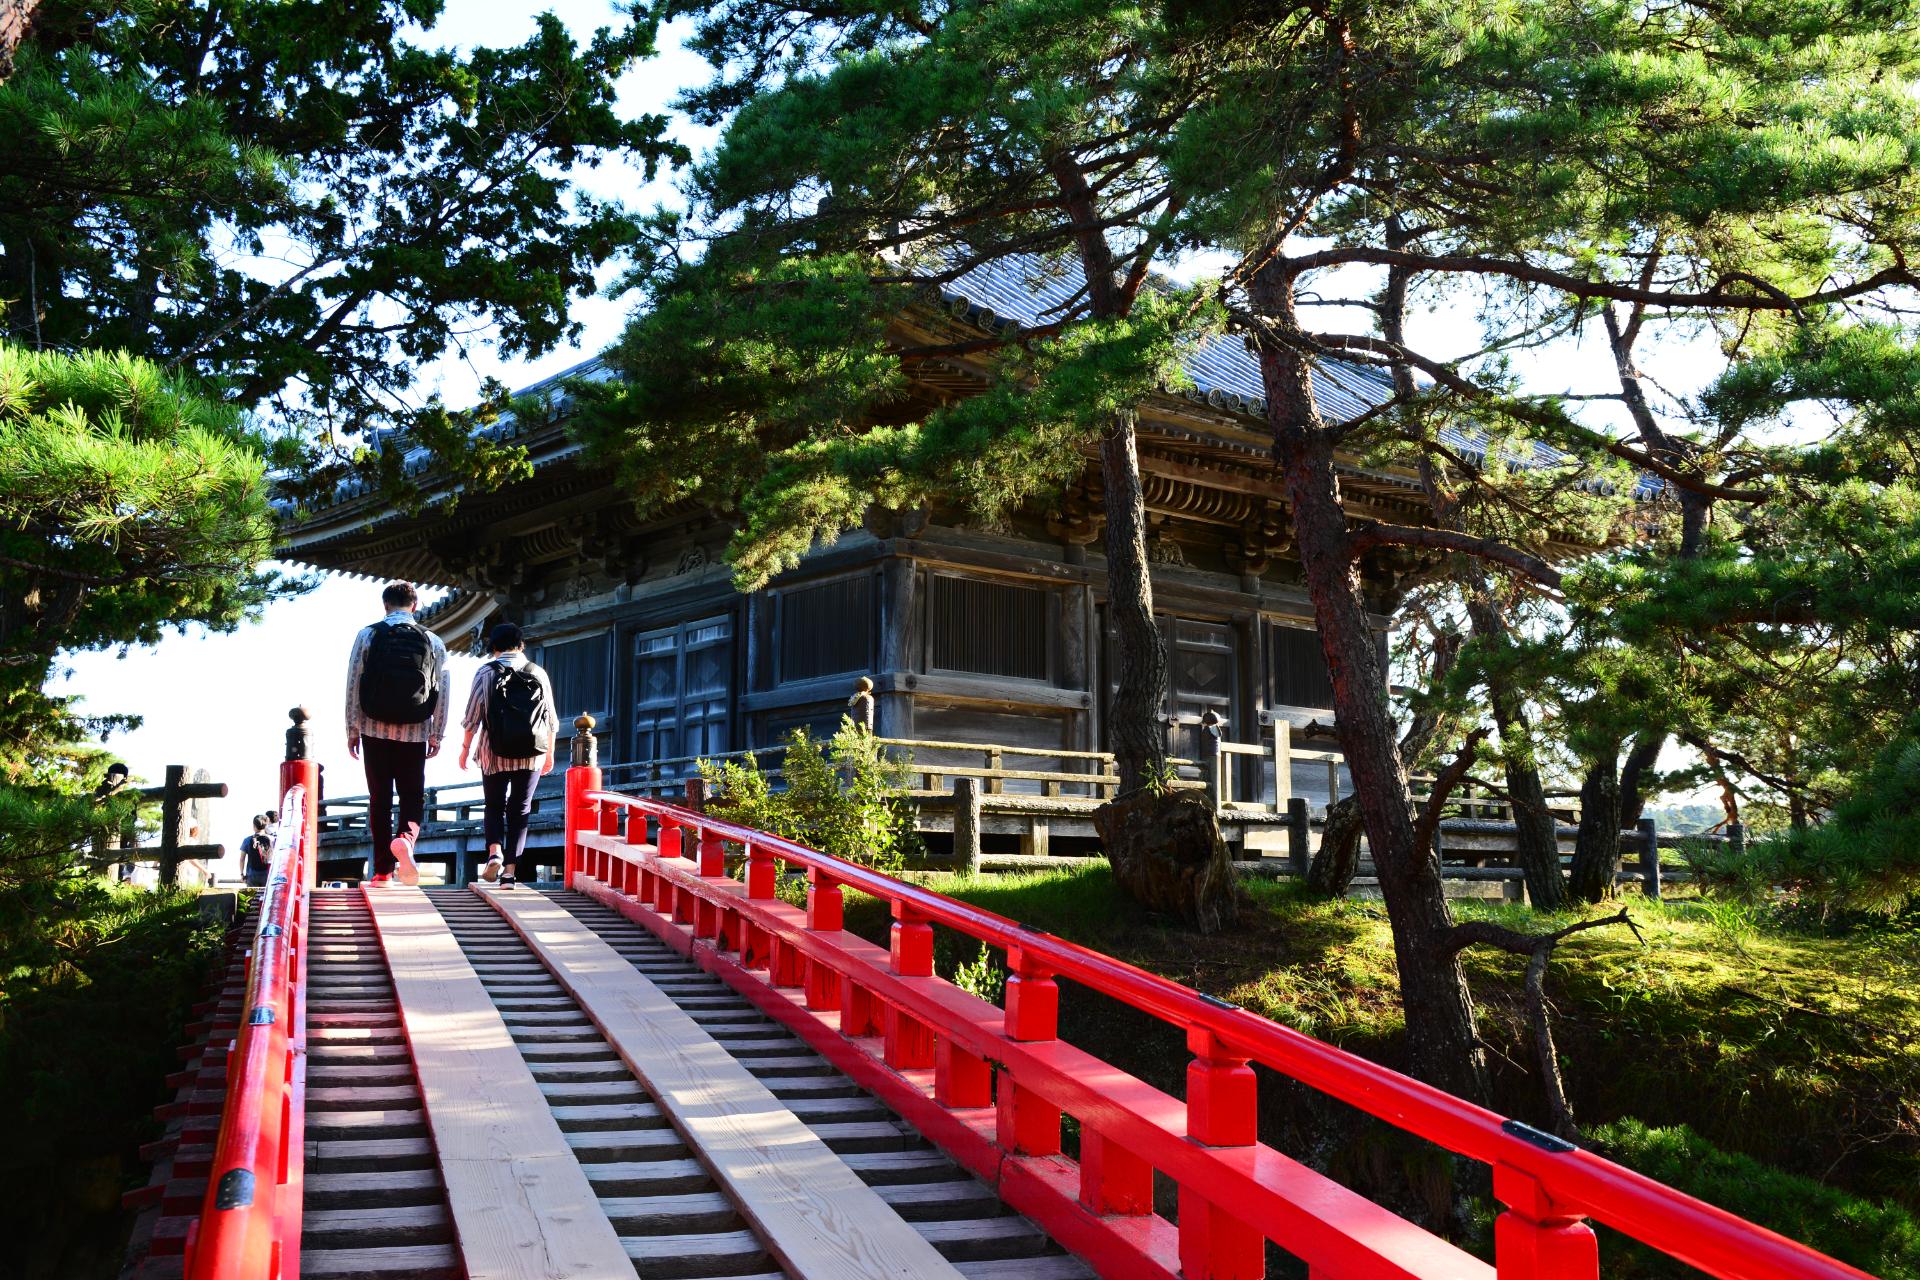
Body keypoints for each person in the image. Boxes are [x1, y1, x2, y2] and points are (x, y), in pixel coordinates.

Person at [345, 581, 448, 886]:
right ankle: (405, 838)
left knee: (379, 798)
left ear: (385, 605)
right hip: (415, 730)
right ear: (415, 606)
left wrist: (352, 727)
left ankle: (382, 871)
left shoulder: (369, 634)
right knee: (412, 796)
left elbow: (353, 681)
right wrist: (437, 733)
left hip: (373, 727)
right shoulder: (433, 640)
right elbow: (443, 689)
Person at [458, 622, 557, 887]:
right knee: (520, 809)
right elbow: (551, 719)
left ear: (494, 646)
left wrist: (465, 749)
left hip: (494, 751)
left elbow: (472, 717)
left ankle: (494, 853)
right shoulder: (538, 672)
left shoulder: (485, 672)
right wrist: (550, 753)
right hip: (532, 752)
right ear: (521, 644)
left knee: (494, 805)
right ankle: (510, 873)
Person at [239, 814, 272, 887]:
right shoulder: (271, 840)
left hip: (252, 875)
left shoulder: (247, 840)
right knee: (265, 896)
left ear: (254, 826)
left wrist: (242, 874)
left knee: (252, 896)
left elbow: (242, 859)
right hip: (267, 874)